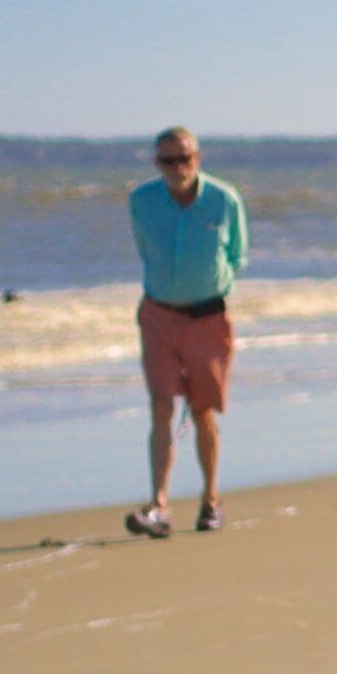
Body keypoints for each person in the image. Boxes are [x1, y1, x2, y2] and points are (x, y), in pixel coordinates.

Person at [126, 126, 247, 537]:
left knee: (201, 411)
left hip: (209, 318)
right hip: (159, 314)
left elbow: (236, 255)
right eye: (168, 160)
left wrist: (207, 288)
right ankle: (159, 504)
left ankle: (210, 499)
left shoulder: (223, 199)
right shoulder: (142, 201)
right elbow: (145, 250)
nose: (178, 167)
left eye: (185, 158)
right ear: (157, 163)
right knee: (161, 404)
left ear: (198, 157)